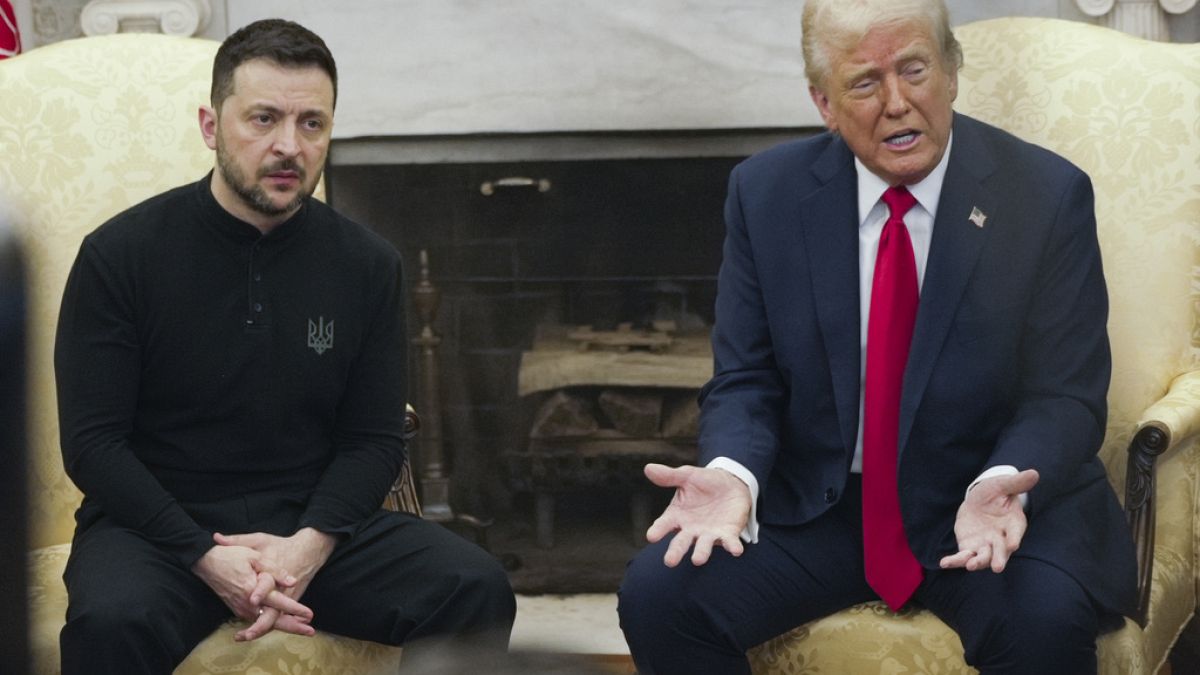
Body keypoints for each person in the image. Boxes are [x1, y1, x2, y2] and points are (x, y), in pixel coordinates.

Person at [618, 1, 1137, 673]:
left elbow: (1065, 396)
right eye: (865, 82)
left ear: (951, 73)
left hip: (982, 504)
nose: (897, 103)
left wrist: (1008, 478)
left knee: (1044, 621)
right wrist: (733, 472)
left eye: (915, 69)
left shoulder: (1045, 196)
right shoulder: (764, 195)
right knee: (661, 594)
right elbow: (747, 379)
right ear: (824, 103)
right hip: (825, 507)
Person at [54, 19, 514, 674]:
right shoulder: (119, 255)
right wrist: (205, 556)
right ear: (212, 126)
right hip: (156, 530)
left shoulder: (368, 264)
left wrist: (305, 548)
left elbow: (374, 439)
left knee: (476, 587)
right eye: (263, 118)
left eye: (311, 124)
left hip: (313, 525)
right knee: (111, 621)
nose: (287, 146)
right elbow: (94, 444)